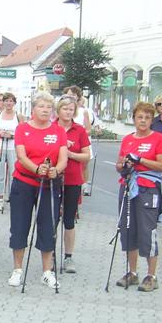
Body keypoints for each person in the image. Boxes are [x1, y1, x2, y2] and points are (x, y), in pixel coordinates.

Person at [8, 92, 68, 289]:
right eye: (41, 106)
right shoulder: (22, 128)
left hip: (50, 184)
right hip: (24, 182)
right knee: (19, 225)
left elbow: (63, 158)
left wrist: (56, 170)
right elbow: (21, 155)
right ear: (33, 109)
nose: (45, 110)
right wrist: (36, 168)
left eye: (49, 107)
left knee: (48, 227)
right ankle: (17, 270)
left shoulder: (59, 131)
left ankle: (47, 271)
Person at [114, 102, 162, 291]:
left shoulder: (159, 139)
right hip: (129, 188)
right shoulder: (127, 139)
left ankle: (151, 276)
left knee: (147, 232)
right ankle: (133, 272)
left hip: (148, 189)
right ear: (134, 119)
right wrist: (125, 166)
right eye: (140, 117)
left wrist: (141, 160)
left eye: (147, 117)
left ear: (151, 120)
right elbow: (118, 165)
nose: (143, 121)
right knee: (128, 229)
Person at [56, 96, 91, 274]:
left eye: (71, 109)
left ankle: (68, 256)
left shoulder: (79, 130)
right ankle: (50, 254)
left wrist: (70, 154)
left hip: (72, 179)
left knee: (69, 220)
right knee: (51, 218)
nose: (68, 112)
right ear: (59, 110)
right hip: (53, 178)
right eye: (65, 109)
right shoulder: (52, 127)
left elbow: (87, 155)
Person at [0, 93, 24, 212]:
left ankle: (13, 198)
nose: (8, 103)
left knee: (13, 173)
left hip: (13, 147)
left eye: (11, 101)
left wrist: (12, 135)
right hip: (1, 146)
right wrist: (0, 134)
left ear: (14, 103)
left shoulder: (18, 115)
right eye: (6, 101)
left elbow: (22, 133)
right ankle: (0, 199)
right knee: (0, 174)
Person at [64, 85, 94, 192]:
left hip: (80, 141)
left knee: (83, 165)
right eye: (68, 95)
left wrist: (78, 135)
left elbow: (89, 130)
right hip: (66, 141)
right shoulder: (62, 110)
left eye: (73, 95)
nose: (70, 97)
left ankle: (83, 184)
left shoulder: (83, 111)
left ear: (78, 97)